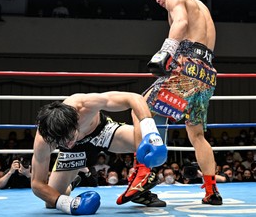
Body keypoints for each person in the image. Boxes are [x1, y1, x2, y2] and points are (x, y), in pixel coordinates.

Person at [142, 0, 221, 205]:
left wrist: (164, 52)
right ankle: (211, 191)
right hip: (206, 73)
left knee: (142, 108)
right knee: (196, 134)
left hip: (186, 66)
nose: (158, 0)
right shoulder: (202, 8)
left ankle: (144, 181)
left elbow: (181, 22)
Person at [31, 91, 168, 215]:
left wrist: (150, 131)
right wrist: (67, 204)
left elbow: (134, 98)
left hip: (101, 132)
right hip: (73, 153)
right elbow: (37, 184)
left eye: (70, 137)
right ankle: (72, 183)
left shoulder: (84, 105)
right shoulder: (45, 139)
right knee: (50, 203)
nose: (68, 143)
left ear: (76, 121)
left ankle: (140, 189)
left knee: (148, 146)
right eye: (61, 142)